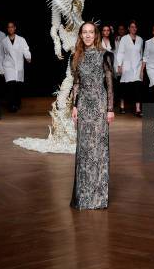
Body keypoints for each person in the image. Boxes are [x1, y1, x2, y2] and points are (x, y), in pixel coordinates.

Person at [70, 22, 115, 209]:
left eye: (91, 32)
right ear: (80, 35)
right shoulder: (76, 56)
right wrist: (74, 106)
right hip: (83, 106)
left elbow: (110, 83)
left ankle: (98, 198)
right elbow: (76, 83)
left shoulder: (105, 55)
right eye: (84, 33)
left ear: (95, 35)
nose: (88, 36)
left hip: (99, 105)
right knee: (84, 151)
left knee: (98, 151)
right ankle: (84, 197)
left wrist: (110, 109)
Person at [1, 21, 31, 112]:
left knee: (17, 86)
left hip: (18, 66)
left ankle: (17, 103)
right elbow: (1, 54)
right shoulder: (4, 41)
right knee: (11, 85)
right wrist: (0, 68)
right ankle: (11, 105)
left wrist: (28, 57)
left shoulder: (21, 39)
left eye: (12, 27)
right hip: (8, 66)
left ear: (15, 28)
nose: (10, 29)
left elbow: (25, 49)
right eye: (8, 27)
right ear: (7, 29)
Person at [116, 20, 144, 116]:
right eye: (132, 27)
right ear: (128, 28)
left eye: (135, 27)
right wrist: (119, 65)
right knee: (124, 87)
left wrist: (142, 69)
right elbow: (120, 52)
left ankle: (138, 109)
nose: (134, 28)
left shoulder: (140, 39)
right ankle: (122, 106)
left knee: (138, 87)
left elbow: (141, 53)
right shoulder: (124, 38)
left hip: (137, 65)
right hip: (127, 64)